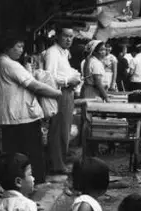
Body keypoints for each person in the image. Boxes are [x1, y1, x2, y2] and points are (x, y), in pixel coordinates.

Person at [0, 31, 61, 185]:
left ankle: (18, 183)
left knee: (16, 152)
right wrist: (56, 93)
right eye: (18, 46)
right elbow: (34, 85)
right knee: (32, 152)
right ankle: (34, 183)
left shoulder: (3, 62)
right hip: (20, 116)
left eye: (22, 47)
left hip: (14, 116)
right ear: (8, 47)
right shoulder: (9, 64)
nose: (21, 50)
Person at [44, 26, 81, 176]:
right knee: (58, 129)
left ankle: (60, 162)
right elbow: (48, 77)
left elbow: (65, 72)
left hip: (67, 91)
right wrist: (68, 80)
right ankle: (56, 165)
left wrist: (74, 77)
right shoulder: (52, 52)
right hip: (59, 93)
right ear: (58, 36)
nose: (68, 39)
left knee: (64, 129)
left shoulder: (64, 53)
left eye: (71, 37)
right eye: (65, 36)